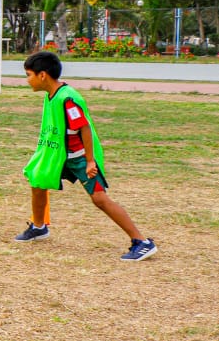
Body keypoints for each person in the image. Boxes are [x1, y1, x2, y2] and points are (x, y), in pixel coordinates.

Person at [17, 51, 157, 260]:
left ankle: (142, 242)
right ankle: (39, 227)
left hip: (80, 158)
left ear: (42, 75)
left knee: (100, 199)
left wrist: (90, 161)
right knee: (37, 180)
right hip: (61, 156)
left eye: (29, 75)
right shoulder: (51, 95)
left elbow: (84, 128)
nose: (27, 80)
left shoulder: (67, 99)